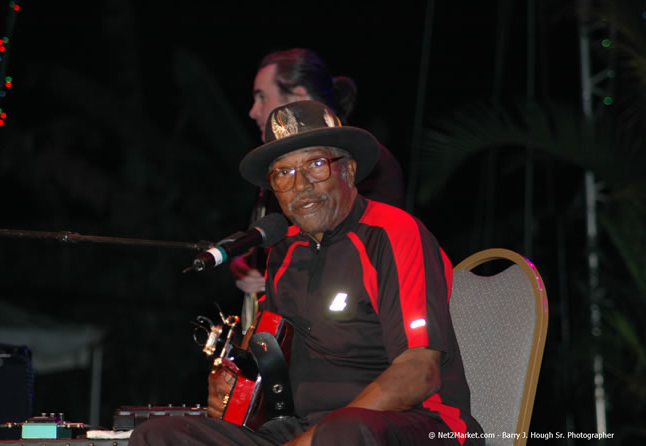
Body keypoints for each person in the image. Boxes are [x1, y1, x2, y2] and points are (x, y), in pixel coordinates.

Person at [129, 100, 484, 445]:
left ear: (348, 169)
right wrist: (235, 382)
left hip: (411, 425)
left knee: (341, 431)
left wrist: (315, 439)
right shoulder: (284, 251)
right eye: (284, 173)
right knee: (158, 435)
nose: (301, 185)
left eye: (315, 163)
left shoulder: (392, 234)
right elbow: (273, 363)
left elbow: (419, 371)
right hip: (303, 429)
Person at [234, 48, 405, 327]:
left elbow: (367, 254)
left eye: (262, 97)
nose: (253, 111)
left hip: (352, 332)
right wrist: (247, 260)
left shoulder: (367, 163)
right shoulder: (276, 171)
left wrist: (280, 277)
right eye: (285, 174)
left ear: (299, 97)